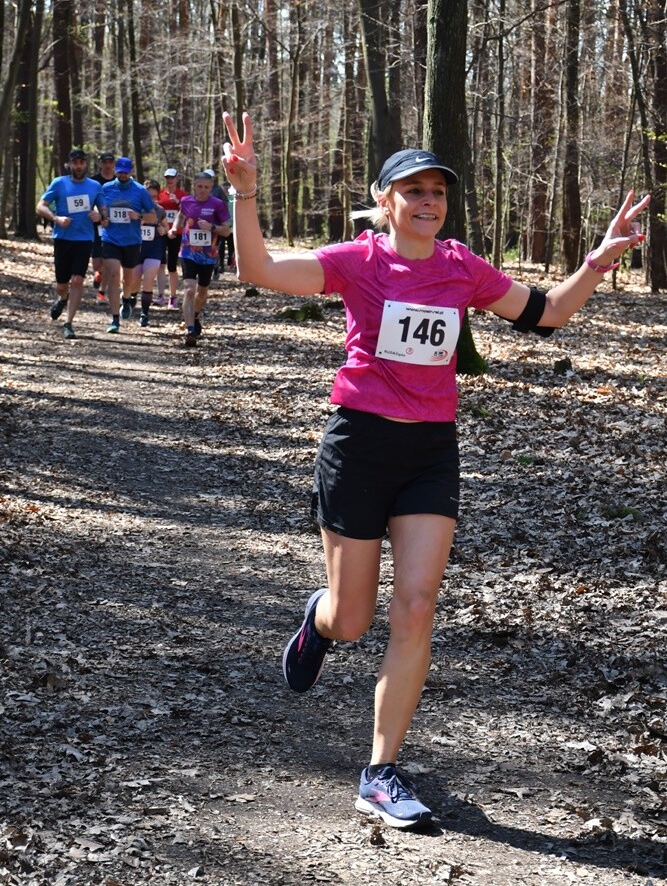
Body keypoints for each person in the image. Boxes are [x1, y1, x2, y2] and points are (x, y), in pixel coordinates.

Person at [221, 110, 650, 830]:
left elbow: (544, 315)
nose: (427, 202)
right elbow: (258, 271)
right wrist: (245, 192)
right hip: (357, 445)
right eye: (412, 190)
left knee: (416, 605)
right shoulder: (357, 261)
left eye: (437, 193)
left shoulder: (460, 266)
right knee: (354, 618)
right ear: (383, 200)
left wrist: (596, 264)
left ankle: (380, 771)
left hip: (429, 451)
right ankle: (319, 621)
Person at [36, 148, 107, 340]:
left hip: (84, 240)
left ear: (86, 164)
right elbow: (40, 206)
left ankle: (68, 323)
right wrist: (56, 218)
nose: (78, 166)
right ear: (70, 164)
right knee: (61, 284)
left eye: (81, 162)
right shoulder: (59, 183)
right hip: (62, 238)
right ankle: (62, 298)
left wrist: (99, 216)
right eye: (75, 163)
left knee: (77, 280)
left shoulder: (94, 186)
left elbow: (104, 211)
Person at [167, 171, 230, 346]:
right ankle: (190, 331)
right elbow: (181, 215)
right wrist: (174, 228)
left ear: (211, 188)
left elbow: (227, 230)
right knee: (189, 289)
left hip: (208, 256)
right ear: (194, 186)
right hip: (188, 252)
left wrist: (212, 227)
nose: (203, 190)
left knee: (202, 293)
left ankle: (194, 315)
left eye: (207, 187)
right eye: (200, 186)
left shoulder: (217, 204)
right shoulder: (187, 201)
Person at [100, 157, 157, 334]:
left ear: (131, 171)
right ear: (116, 170)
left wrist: (139, 216)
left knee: (128, 279)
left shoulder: (140, 191)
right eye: (120, 171)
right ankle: (115, 318)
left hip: (132, 240)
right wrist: (103, 218)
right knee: (114, 274)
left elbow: (153, 216)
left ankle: (126, 298)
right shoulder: (106, 188)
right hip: (110, 239)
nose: (123, 174)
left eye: (126, 171)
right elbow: (99, 209)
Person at [129, 180, 169, 327]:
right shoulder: (135, 209)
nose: (151, 199)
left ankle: (144, 314)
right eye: (148, 196)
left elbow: (167, 229)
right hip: (137, 249)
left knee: (148, 280)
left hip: (154, 249)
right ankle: (132, 296)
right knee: (135, 279)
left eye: (154, 196)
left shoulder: (159, 210)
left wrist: (163, 230)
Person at [158, 168, 187, 310]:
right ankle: (160, 295)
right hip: (162, 232)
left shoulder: (183, 195)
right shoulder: (160, 194)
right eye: (167, 178)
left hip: (176, 233)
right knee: (160, 264)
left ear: (177, 179)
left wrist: (178, 202)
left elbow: (188, 212)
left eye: (172, 178)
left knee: (172, 266)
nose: (170, 180)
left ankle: (173, 297)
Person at [89, 152, 117, 305]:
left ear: (113, 164)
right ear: (100, 164)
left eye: (110, 162)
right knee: (97, 262)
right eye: (104, 162)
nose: (107, 165)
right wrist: (98, 215)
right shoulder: (93, 181)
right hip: (96, 224)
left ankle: (101, 292)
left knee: (108, 258)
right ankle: (98, 274)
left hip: (113, 225)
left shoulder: (118, 181)